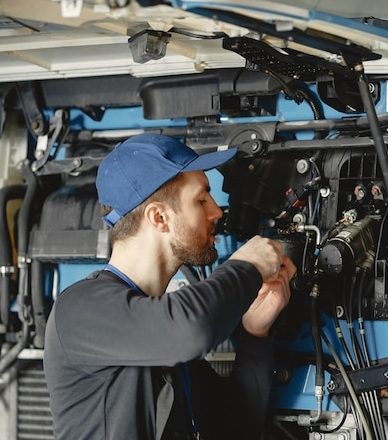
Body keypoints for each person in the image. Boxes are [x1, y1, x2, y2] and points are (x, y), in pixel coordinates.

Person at [43, 133, 296, 440]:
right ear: (159, 217)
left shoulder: (161, 331)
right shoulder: (79, 310)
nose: (217, 212)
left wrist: (255, 332)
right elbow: (191, 328)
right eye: (201, 200)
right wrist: (248, 266)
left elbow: (234, 426)